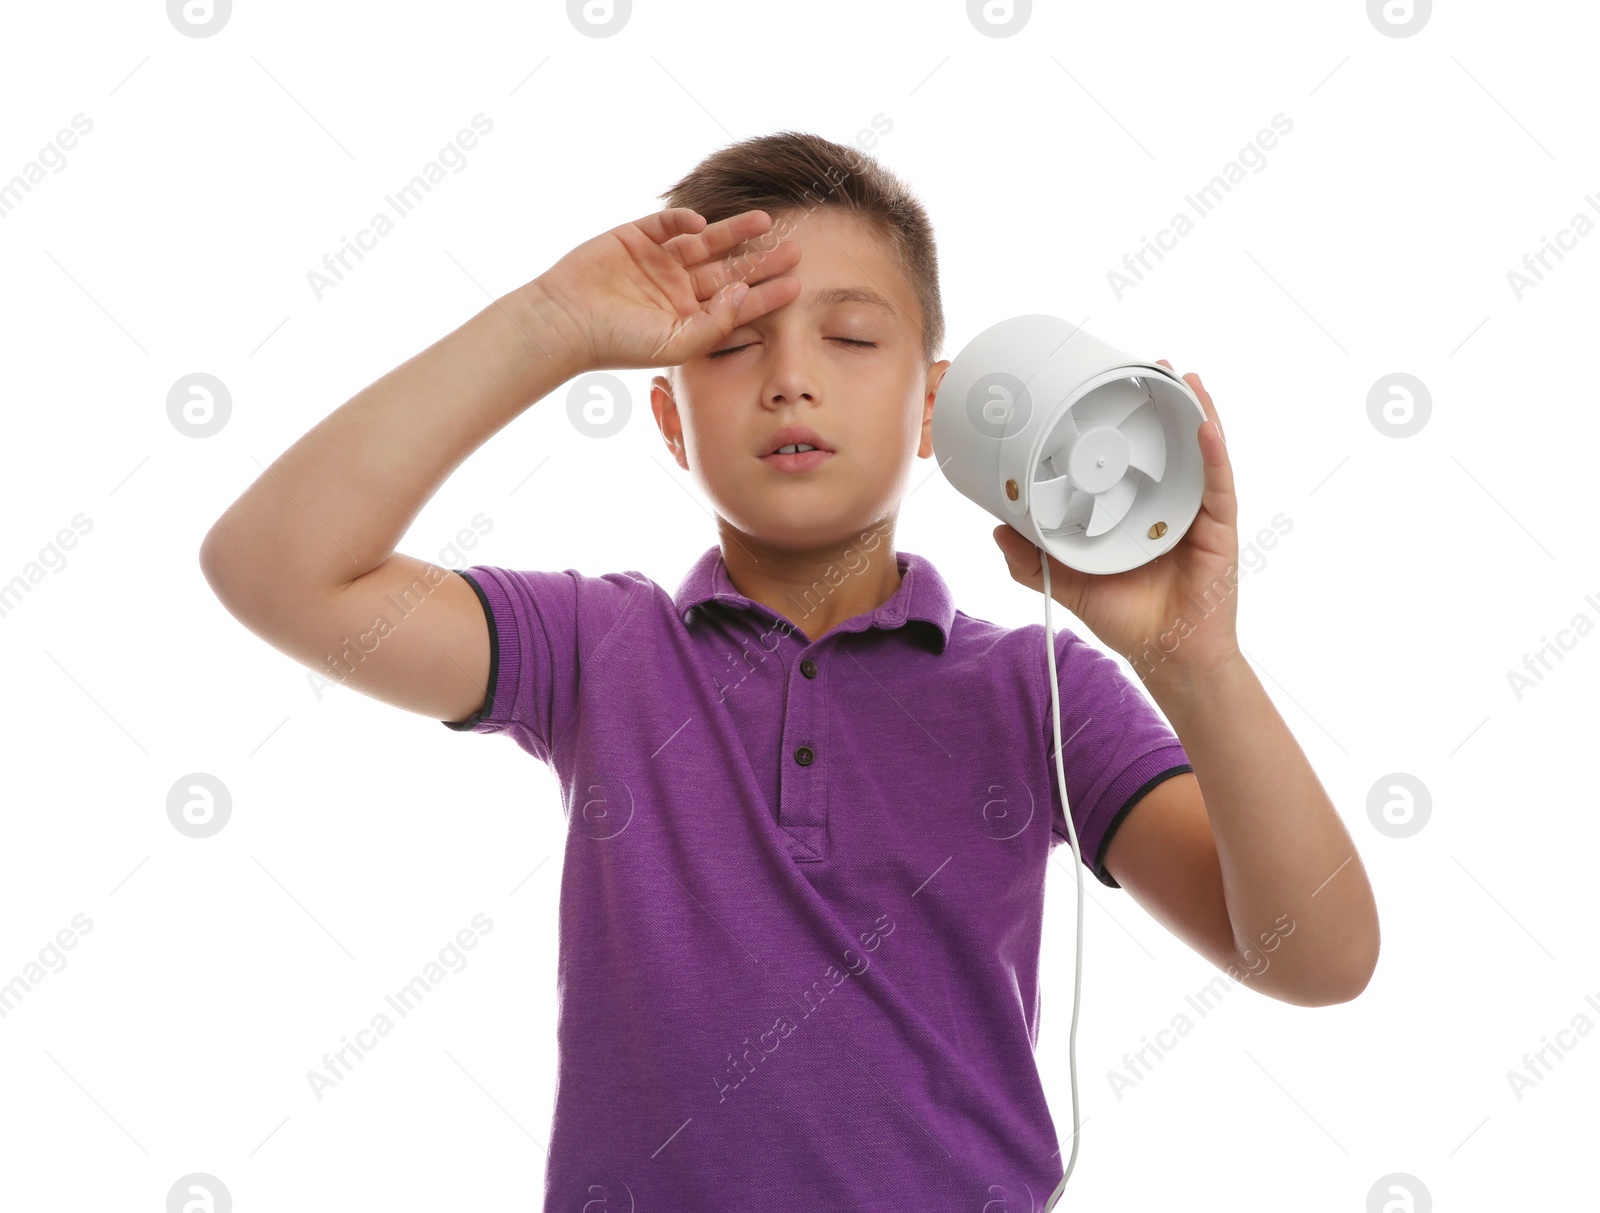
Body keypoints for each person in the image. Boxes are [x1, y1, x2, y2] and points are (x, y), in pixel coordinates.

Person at [199, 130, 1380, 1210]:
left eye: (852, 337)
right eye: (730, 343)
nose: (790, 377)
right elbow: (277, 570)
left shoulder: (1038, 694)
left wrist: (1196, 663)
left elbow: (1318, 959)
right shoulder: (600, 652)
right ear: (669, 424)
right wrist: (546, 326)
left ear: (937, 407)